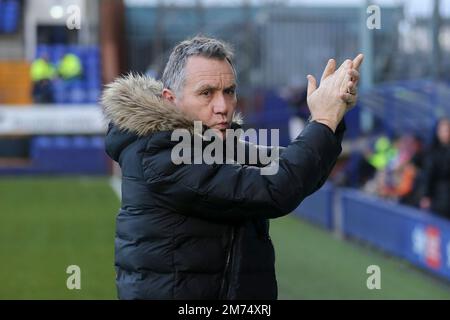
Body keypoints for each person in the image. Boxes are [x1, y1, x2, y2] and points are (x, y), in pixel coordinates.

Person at [102, 36, 363, 299]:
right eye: (206, 93)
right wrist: (323, 121)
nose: (223, 107)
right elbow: (278, 187)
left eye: (229, 91)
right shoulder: (162, 153)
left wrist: (331, 117)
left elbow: (293, 169)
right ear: (171, 99)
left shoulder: (211, 144)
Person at [420, 117, 450, 219]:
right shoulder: (433, 151)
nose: (446, 133)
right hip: (439, 199)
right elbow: (428, 175)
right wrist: (426, 195)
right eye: (443, 130)